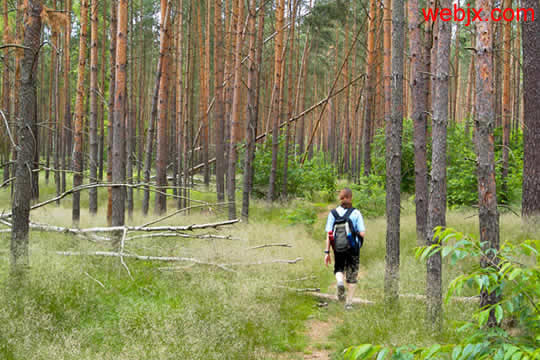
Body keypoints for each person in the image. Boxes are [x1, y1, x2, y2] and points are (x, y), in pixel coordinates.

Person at [324, 188, 366, 309]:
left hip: (338, 248)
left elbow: (329, 234)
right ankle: (349, 304)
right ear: (350, 197)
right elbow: (362, 233)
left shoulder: (333, 213)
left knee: (339, 269)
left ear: (340, 198)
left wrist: (327, 252)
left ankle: (340, 282)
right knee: (352, 276)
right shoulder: (356, 213)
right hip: (353, 248)